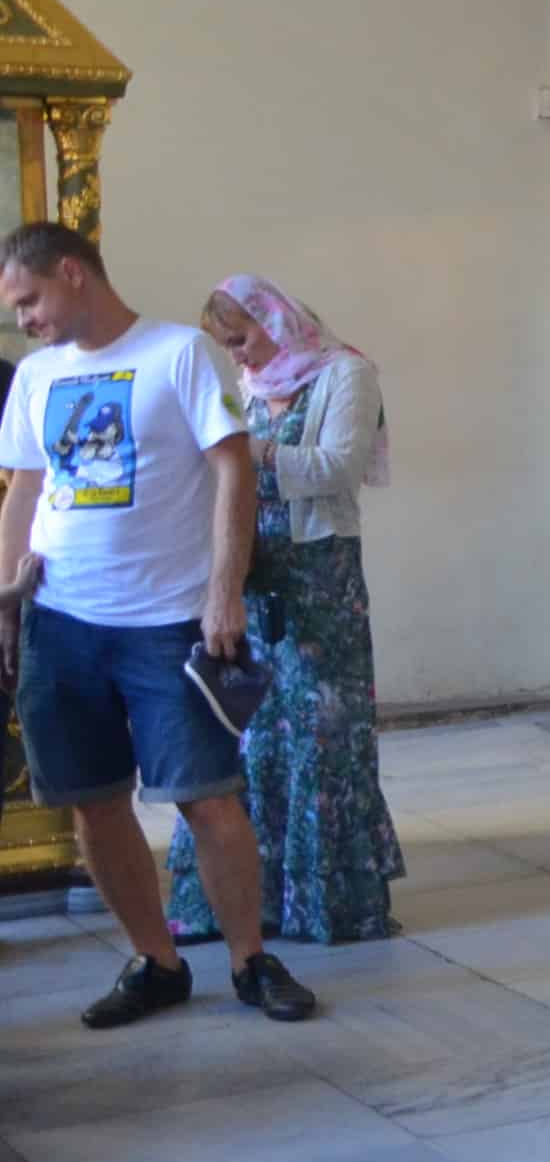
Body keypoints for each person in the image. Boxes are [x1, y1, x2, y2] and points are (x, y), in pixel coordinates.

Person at [0, 222, 313, 1025]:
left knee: (207, 799)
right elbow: (25, 491)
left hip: (168, 621)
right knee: (93, 803)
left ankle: (249, 960)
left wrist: (225, 592)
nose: (23, 319)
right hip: (61, 624)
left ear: (72, 273)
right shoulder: (36, 377)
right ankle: (158, 962)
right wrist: (6, 594)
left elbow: (232, 468)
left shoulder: (178, 354)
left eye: (28, 299)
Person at [173, 276, 404, 943]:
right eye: (228, 347)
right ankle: (251, 900)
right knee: (252, 732)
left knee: (320, 732)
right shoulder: (252, 384)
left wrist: (253, 455)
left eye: (242, 340)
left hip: (318, 572)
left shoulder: (347, 373)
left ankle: (327, 904)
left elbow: (339, 465)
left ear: (275, 319)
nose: (239, 358)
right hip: (250, 568)